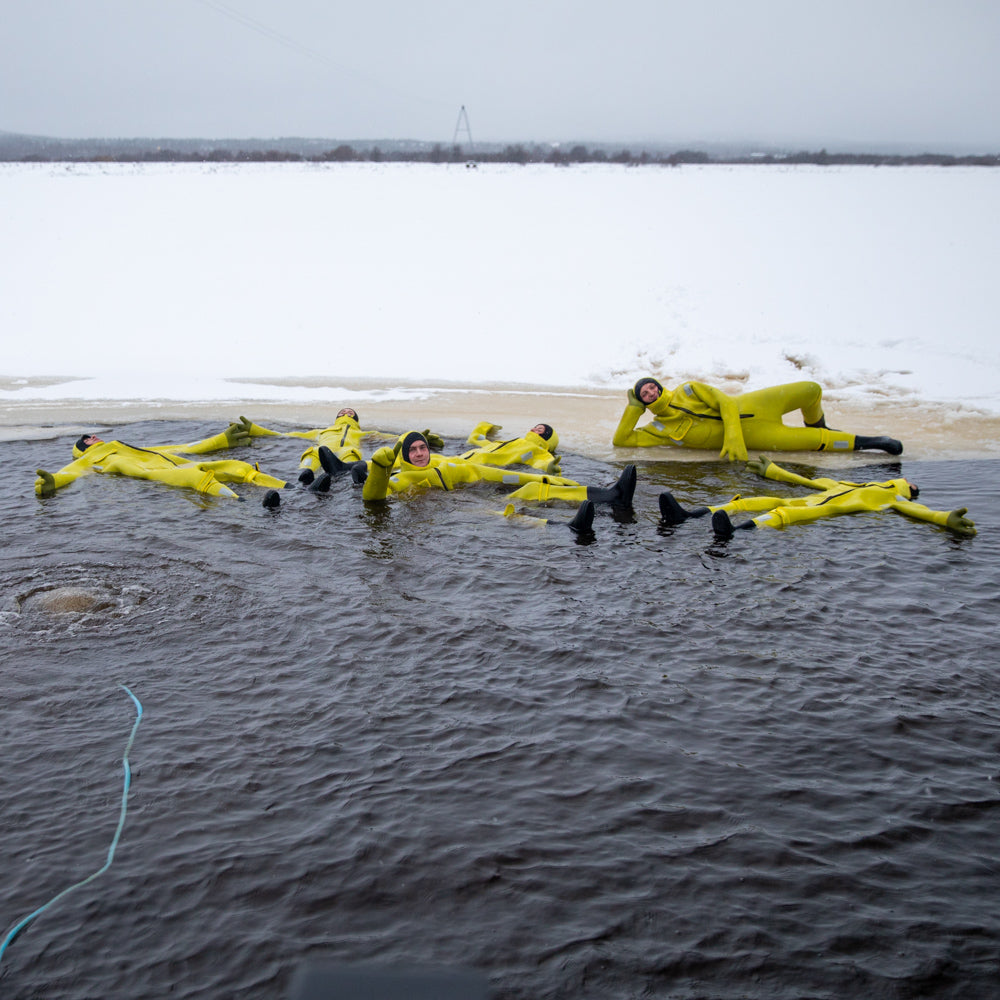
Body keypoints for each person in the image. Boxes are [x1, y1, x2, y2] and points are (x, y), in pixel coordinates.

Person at [657, 455, 976, 538]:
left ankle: (736, 533)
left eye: (909, 483)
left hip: (823, 512)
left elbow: (921, 513)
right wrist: (774, 473)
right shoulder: (851, 485)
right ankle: (688, 516)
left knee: (785, 516)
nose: (905, 480)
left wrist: (943, 518)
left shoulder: (893, 500)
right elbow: (808, 482)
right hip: (808, 501)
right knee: (750, 500)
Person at [613, 377, 903, 461]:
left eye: (651, 386)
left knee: (811, 390)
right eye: (644, 394)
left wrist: (733, 436)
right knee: (817, 443)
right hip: (760, 437)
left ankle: (818, 423)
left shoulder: (688, 389)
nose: (651, 391)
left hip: (753, 406)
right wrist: (633, 409)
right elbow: (622, 441)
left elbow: (725, 402)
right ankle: (872, 443)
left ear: (658, 384)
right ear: (643, 399)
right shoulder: (659, 428)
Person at [359, 431, 636, 508]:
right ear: (404, 454)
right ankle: (597, 508)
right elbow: (374, 497)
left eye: (423, 448)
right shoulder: (402, 476)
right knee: (526, 494)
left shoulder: (442, 462)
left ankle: (609, 494)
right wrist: (379, 471)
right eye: (413, 450)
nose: (420, 454)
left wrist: (547, 469)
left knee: (533, 481)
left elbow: (487, 470)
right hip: (460, 506)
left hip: (470, 484)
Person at [34, 423, 288, 500]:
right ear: (82, 448)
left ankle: (291, 487)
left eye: (90, 435)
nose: (92, 436)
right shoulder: (90, 460)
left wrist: (221, 440)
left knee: (237, 466)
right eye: (87, 439)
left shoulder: (123, 446)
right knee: (196, 479)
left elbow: (181, 448)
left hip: (176, 464)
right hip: (159, 474)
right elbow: (69, 473)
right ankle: (246, 506)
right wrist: (53, 482)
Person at [236, 410, 443, 483]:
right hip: (322, 451)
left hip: (346, 454)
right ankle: (305, 475)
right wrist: (255, 429)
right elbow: (287, 435)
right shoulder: (321, 431)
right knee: (313, 453)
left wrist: (417, 438)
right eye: (343, 411)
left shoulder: (360, 433)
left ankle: (341, 475)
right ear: (336, 418)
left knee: (351, 457)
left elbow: (391, 438)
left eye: (350, 412)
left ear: (356, 419)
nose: (346, 413)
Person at [458, 422, 562, 474]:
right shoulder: (516, 442)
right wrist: (484, 426)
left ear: (545, 438)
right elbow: (481, 442)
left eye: (539, 430)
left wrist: (549, 466)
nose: (533, 429)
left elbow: (542, 460)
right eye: (535, 427)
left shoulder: (536, 450)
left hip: (475, 468)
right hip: (463, 461)